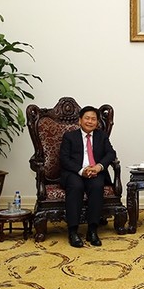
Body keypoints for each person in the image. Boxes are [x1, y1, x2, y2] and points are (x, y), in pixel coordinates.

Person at [60, 106, 116, 248]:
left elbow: (111, 153)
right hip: (75, 172)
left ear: (97, 122)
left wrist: (99, 167)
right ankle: (73, 231)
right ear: (80, 120)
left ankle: (92, 230)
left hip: (95, 171)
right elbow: (64, 159)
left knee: (97, 186)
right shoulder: (69, 136)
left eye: (93, 119)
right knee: (76, 186)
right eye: (87, 118)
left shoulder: (101, 136)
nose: (90, 121)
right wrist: (81, 170)